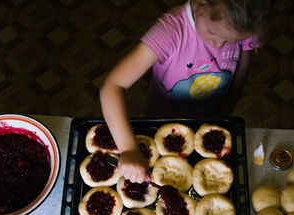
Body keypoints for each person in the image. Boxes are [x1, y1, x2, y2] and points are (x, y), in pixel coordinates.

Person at [99, 0, 273, 183]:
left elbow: (243, 63)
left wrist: (228, 106)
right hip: (163, 117)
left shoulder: (247, 20)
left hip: (213, 114)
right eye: (213, 32)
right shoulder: (171, 31)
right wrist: (129, 149)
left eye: (230, 41)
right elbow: (112, 86)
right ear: (201, 3)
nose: (219, 45)